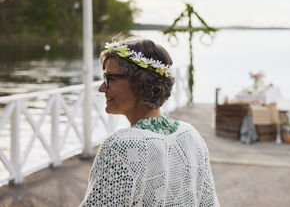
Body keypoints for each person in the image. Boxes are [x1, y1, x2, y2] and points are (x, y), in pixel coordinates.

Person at [80, 37, 219, 206]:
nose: (102, 88)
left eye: (110, 78)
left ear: (139, 82)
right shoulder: (191, 135)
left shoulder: (121, 146)